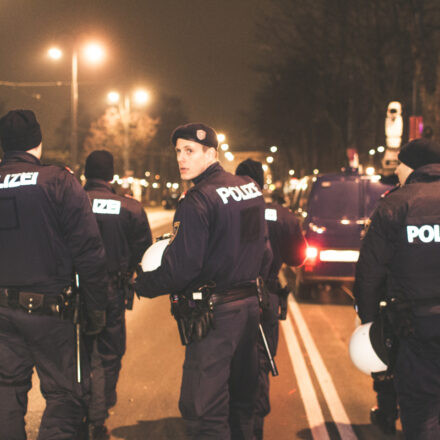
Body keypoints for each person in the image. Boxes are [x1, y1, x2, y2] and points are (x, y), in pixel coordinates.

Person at [135, 123, 272, 440]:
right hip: (250, 310)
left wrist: (140, 284)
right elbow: (263, 252)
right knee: (241, 404)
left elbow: (182, 268)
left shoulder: (197, 200)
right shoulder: (249, 189)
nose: (182, 159)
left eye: (190, 151)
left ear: (211, 153)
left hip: (215, 318)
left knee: (204, 411)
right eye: (179, 152)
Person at [0, 109, 108, 439]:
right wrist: (97, 308)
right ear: (39, 143)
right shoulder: (58, 181)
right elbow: (89, 252)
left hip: (2, 313)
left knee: (6, 392)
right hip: (53, 313)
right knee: (64, 396)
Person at [353, 138, 440, 439]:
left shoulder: (395, 204)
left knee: (421, 408)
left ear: (412, 166)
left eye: (400, 165)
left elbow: (369, 273)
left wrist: (368, 323)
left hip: (415, 327)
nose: (398, 171)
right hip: (417, 321)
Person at [83, 150, 152, 439]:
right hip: (112, 288)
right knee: (110, 353)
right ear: (111, 176)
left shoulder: (71, 201)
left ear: (86, 174)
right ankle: (99, 414)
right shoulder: (129, 208)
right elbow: (144, 252)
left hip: (76, 289)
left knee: (80, 353)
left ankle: (80, 408)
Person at [235, 159, 306, 440]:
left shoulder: (228, 210)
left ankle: (234, 424)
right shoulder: (283, 215)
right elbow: (298, 257)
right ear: (262, 183)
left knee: (230, 361)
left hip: (230, 299)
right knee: (261, 362)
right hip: (267, 299)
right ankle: (255, 428)